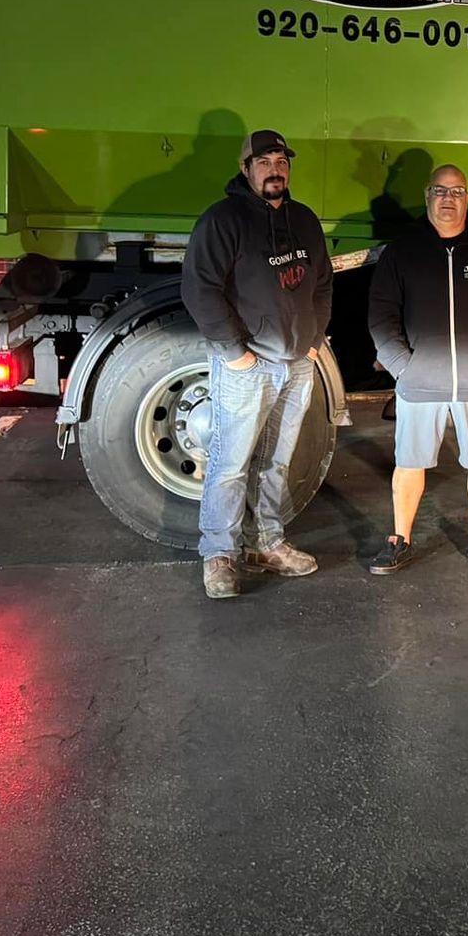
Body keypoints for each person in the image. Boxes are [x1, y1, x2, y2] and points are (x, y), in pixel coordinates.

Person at [180, 128, 334, 599]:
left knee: (276, 462)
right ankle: (220, 555)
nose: (275, 169)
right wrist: (235, 353)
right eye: (264, 161)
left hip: (297, 364)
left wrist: (312, 342)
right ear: (246, 168)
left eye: (281, 161)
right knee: (230, 463)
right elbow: (200, 289)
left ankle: (267, 544)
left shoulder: (304, 220)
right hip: (249, 365)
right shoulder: (223, 220)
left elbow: (323, 284)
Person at [365, 164, 468, 575]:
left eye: (457, 191)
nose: (448, 199)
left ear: (467, 198)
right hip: (420, 383)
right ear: (427, 197)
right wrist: (404, 367)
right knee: (409, 462)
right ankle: (400, 539)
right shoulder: (402, 252)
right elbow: (382, 314)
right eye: (440, 191)